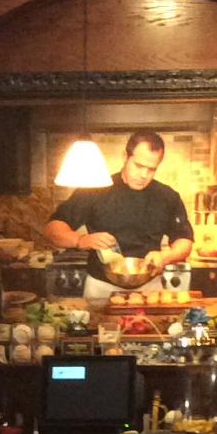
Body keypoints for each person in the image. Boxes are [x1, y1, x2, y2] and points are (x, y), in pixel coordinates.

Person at [42, 130, 195, 304]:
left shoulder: (167, 196)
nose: (144, 175)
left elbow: (185, 240)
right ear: (125, 156)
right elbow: (52, 229)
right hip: (101, 287)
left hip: (150, 289)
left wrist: (166, 256)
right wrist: (80, 240)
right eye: (138, 166)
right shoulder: (95, 189)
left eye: (151, 169)